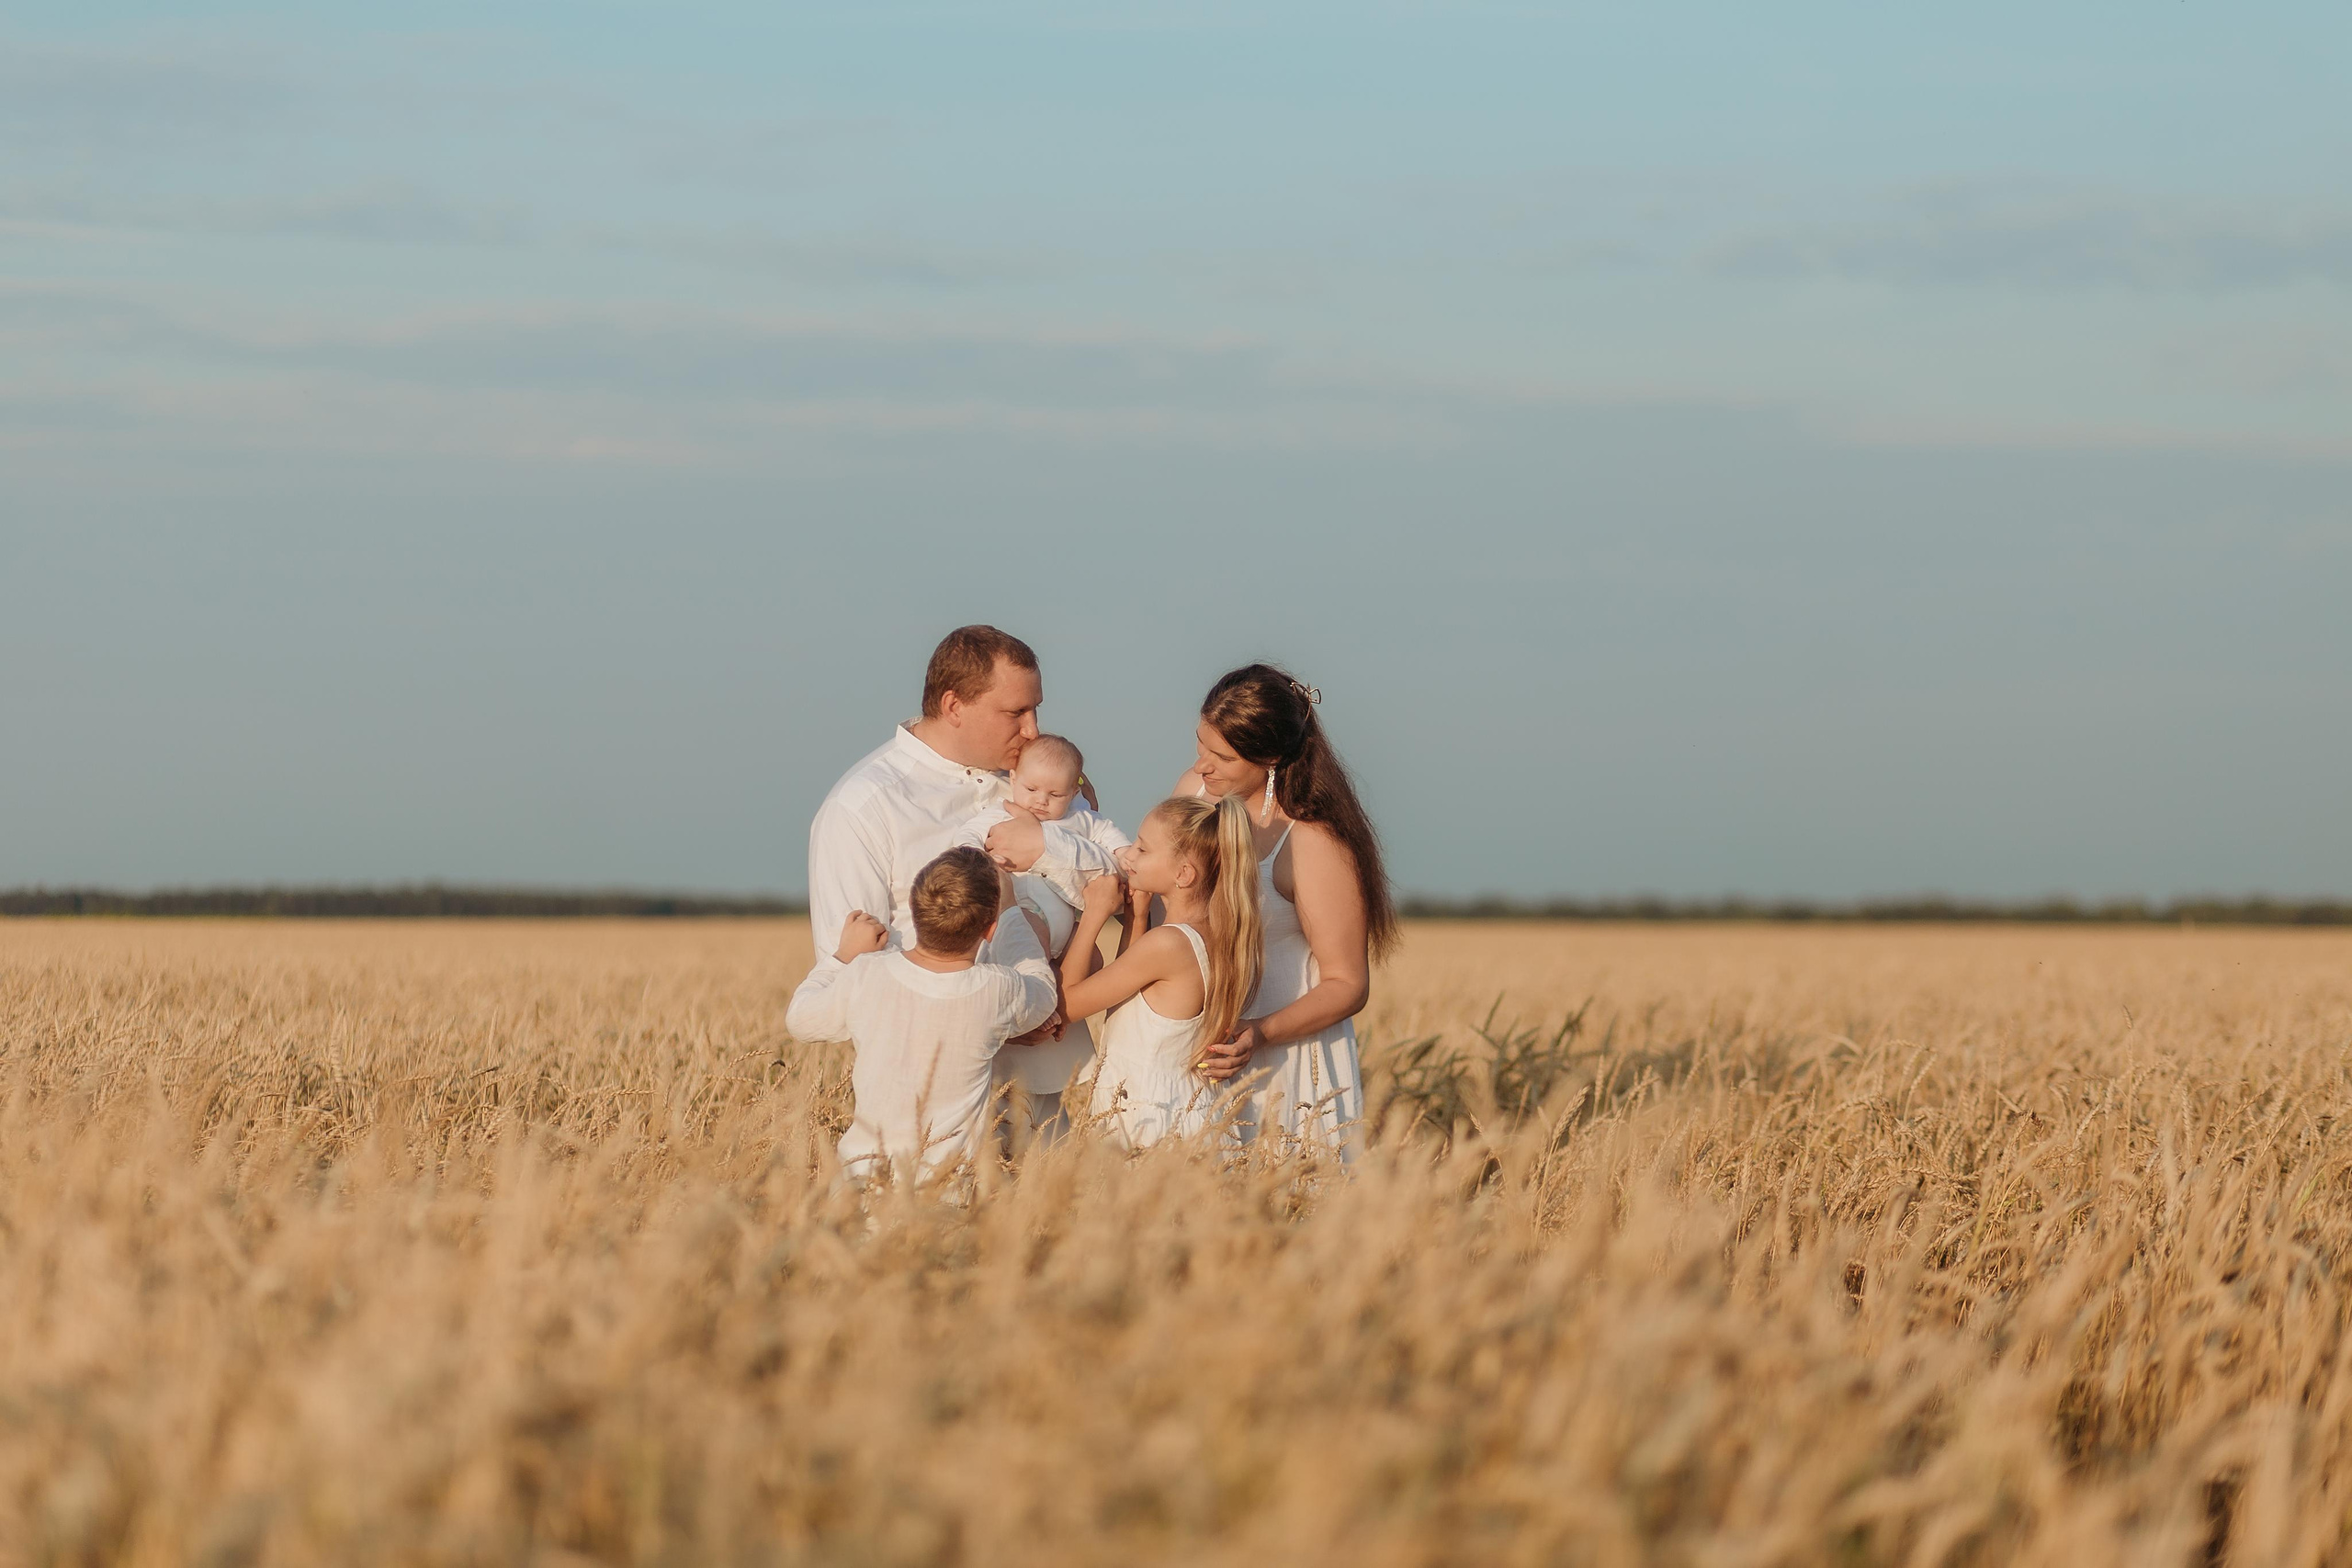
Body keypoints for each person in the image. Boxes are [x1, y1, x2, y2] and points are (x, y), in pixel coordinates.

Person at [805, 626, 1120, 1132]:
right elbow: (851, 973)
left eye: (1036, 709)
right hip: (931, 1103)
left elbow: (1118, 884)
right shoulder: (863, 808)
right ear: (954, 706)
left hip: (1045, 1085)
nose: (1033, 729)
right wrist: (993, 1017)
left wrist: (1054, 843)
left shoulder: (1043, 783)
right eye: (1015, 713)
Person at [1177, 664, 1397, 1160]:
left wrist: (1259, 1032)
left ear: (1271, 756)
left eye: (1223, 756)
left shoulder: (1312, 842)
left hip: (1286, 1061)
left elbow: (1347, 983)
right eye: (1201, 744)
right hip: (1199, 1050)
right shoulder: (1194, 793)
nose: (1203, 765)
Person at [786, 847, 1058, 1186]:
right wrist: (1012, 911)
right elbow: (1044, 995)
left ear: (914, 912)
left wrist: (843, 956)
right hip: (944, 1190)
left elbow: (800, 1019)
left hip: (860, 1180)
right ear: (989, 930)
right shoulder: (996, 988)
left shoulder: (866, 973)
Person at [1057, 795, 1261, 1150]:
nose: (1129, 855)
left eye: (1143, 849)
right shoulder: (1217, 935)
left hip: (1147, 1120)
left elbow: (1066, 1005)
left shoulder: (1168, 944)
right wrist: (1136, 919)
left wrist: (1093, 913)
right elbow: (1129, 998)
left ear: (1183, 874)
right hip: (1188, 1110)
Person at [954, 733, 1131, 964]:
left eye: (1055, 794)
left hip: (1067, 925)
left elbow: (1105, 830)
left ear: (1073, 793)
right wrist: (979, 858)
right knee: (1033, 958)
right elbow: (968, 834)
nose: (1041, 800)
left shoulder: (1078, 817)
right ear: (1014, 780)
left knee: (1095, 962)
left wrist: (1123, 850)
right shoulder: (1002, 812)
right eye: (1031, 789)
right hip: (1026, 910)